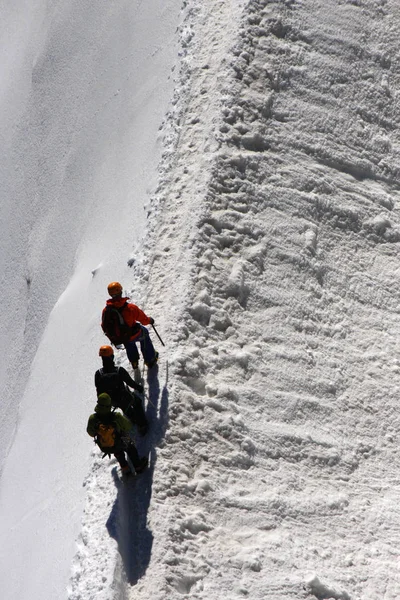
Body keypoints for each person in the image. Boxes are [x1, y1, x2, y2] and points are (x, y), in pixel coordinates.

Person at [101, 281, 159, 371]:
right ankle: (150, 359)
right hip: (135, 333)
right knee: (144, 333)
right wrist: (150, 320)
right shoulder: (130, 308)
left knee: (129, 344)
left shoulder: (106, 310)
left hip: (123, 337)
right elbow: (143, 320)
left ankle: (134, 362)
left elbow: (104, 325)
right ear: (120, 291)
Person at [87, 393, 148, 476]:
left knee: (117, 452)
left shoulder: (93, 419)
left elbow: (90, 433)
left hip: (105, 446)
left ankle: (125, 469)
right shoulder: (116, 416)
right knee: (130, 447)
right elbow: (128, 426)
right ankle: (138, 466)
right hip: (120, 441)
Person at [95, 345, 148, 436]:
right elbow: (130, 383)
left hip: (111, 402)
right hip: (124, 397)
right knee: (137, 402)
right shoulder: (119, 370)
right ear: (111, 357)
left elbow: (98, 391)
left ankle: (132, 418)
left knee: (124, 407)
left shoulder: (98, 374)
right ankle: (142, 425)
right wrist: (139, 388)